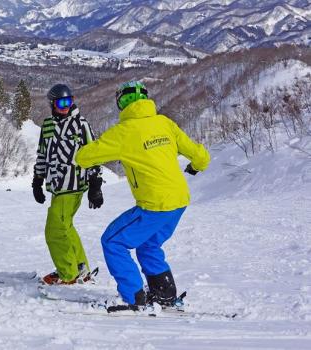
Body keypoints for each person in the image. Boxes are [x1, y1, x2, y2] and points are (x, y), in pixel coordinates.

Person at [75, 81, 210, 310]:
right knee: (149, 246)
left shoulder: (123, 132)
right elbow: (200, 155)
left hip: (154, 205)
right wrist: (195, 167)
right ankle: (164, 294)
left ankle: (132, 297)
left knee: (113, 241)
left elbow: (84, 158)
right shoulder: (164, 123)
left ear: (122, 103)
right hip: (179, 201)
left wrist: (88, 146)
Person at [33, 84, 104, 285]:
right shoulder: (47, 125)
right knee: (66, 227)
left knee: (54, 231)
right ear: (52, 104)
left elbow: (93, 154)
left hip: (73, 185)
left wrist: (95, 184)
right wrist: (37, 181)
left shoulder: (81, 124)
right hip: (56, 186)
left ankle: (68, 274)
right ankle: (80, 266)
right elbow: (42, 155)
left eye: (69, 102)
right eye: (60, 103)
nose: (65, 106)